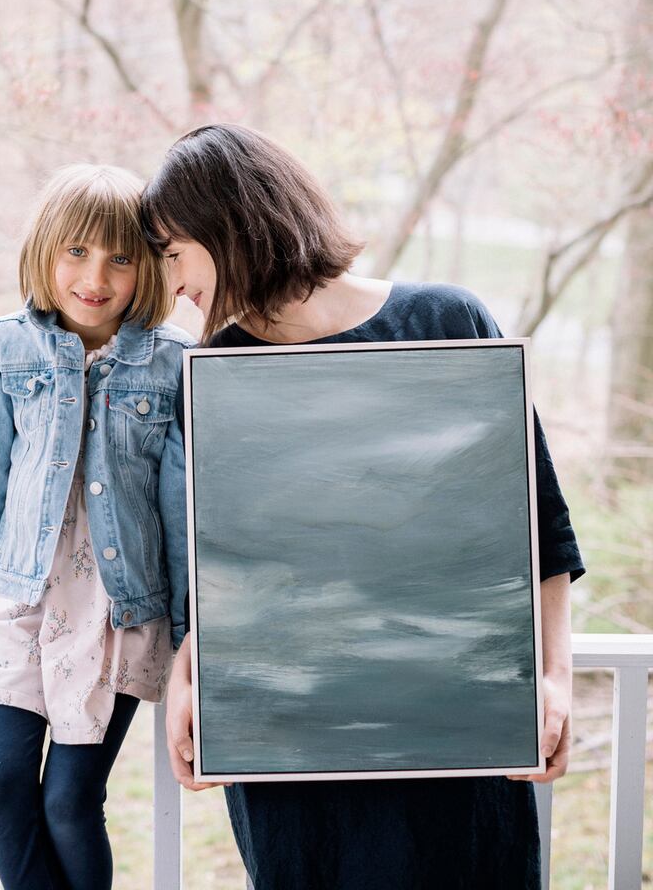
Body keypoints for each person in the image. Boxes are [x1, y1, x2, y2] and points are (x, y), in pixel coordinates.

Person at [141, 124, 584, 890]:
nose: (173, 281)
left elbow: (540, 531)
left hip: (459, 746)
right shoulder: (216, 373)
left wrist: (555, 680)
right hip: (294, 765)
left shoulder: (448, 322)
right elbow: (220, 571)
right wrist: (188, 675)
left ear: (232, 223)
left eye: (176, 251)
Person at [0, 164, 192, 890]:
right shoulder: (6, 346)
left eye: (119, 258)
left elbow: (181, 505)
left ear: (147, 267)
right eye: (76, 251)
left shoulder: (174, 362)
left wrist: (188, 631)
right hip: (18, 595)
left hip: (119, 609)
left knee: (70, 802)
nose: (95, 277)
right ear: (45, 250)